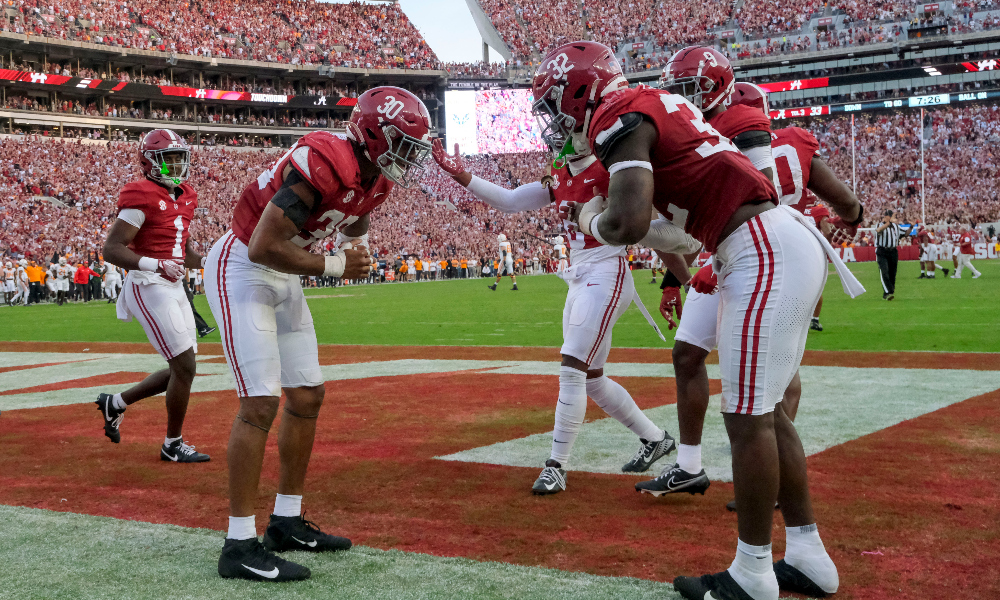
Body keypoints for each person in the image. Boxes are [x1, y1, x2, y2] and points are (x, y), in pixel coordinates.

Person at [553, 41, 861, 600]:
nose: (557, 118)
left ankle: (752, 574)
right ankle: (811, 558)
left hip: (758, 247)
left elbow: (626, 221)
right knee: (768, 415)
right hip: (773, 242)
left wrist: (593, 221)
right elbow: (675, 230)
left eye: (557, 103)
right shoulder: (655, 107)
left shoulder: (617, 115)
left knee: (748, 419)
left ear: (579, 93)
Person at [434, 50, 698, 495]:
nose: (552, 123)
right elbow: (513, 200)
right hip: (578, 276)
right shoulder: (563, 167)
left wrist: (680, 277)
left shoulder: (614, 162)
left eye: (556, 113)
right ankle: (657, 438)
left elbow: (648, 225)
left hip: (607, 269)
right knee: (591, 377)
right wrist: (464, 177)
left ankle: (557, 463)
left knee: (572, 367)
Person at [204, 86, 431, 582]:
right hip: (243, 265)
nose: (407, 157)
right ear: (373, 134)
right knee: (259, 403)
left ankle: (285, 521)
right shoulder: (324, 159)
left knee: (307, 395)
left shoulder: (374, 175)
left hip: (283, 273)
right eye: (402, 143)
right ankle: (238, 543)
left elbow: (358, 210)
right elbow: (264, 244)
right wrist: (334, 264)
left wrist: (359, 246)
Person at [97, 129, 210, 466]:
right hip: (147, 284)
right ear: (149, 162)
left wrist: (210, 262)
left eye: (179, 157)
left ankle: (115, 402)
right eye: (168, 158)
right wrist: (155, 263)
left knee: (182, 368)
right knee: (185, 365)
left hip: (174, 287)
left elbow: (184, 251)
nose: (176, 164)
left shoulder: (187, 195)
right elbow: (112, 249)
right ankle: (171, 444)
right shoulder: (140, 194)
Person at [875, 210, 914, 300]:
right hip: (882, 251)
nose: (895, 219)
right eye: (893, 216)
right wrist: (889, 222)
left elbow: (905, 234)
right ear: (887, 216)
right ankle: (886, 293)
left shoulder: (896, 227)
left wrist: (911, 227)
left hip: (893, 251)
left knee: (892, 273)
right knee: (884, 272)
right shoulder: (880, 224)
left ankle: (891, 291)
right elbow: (878, 230)